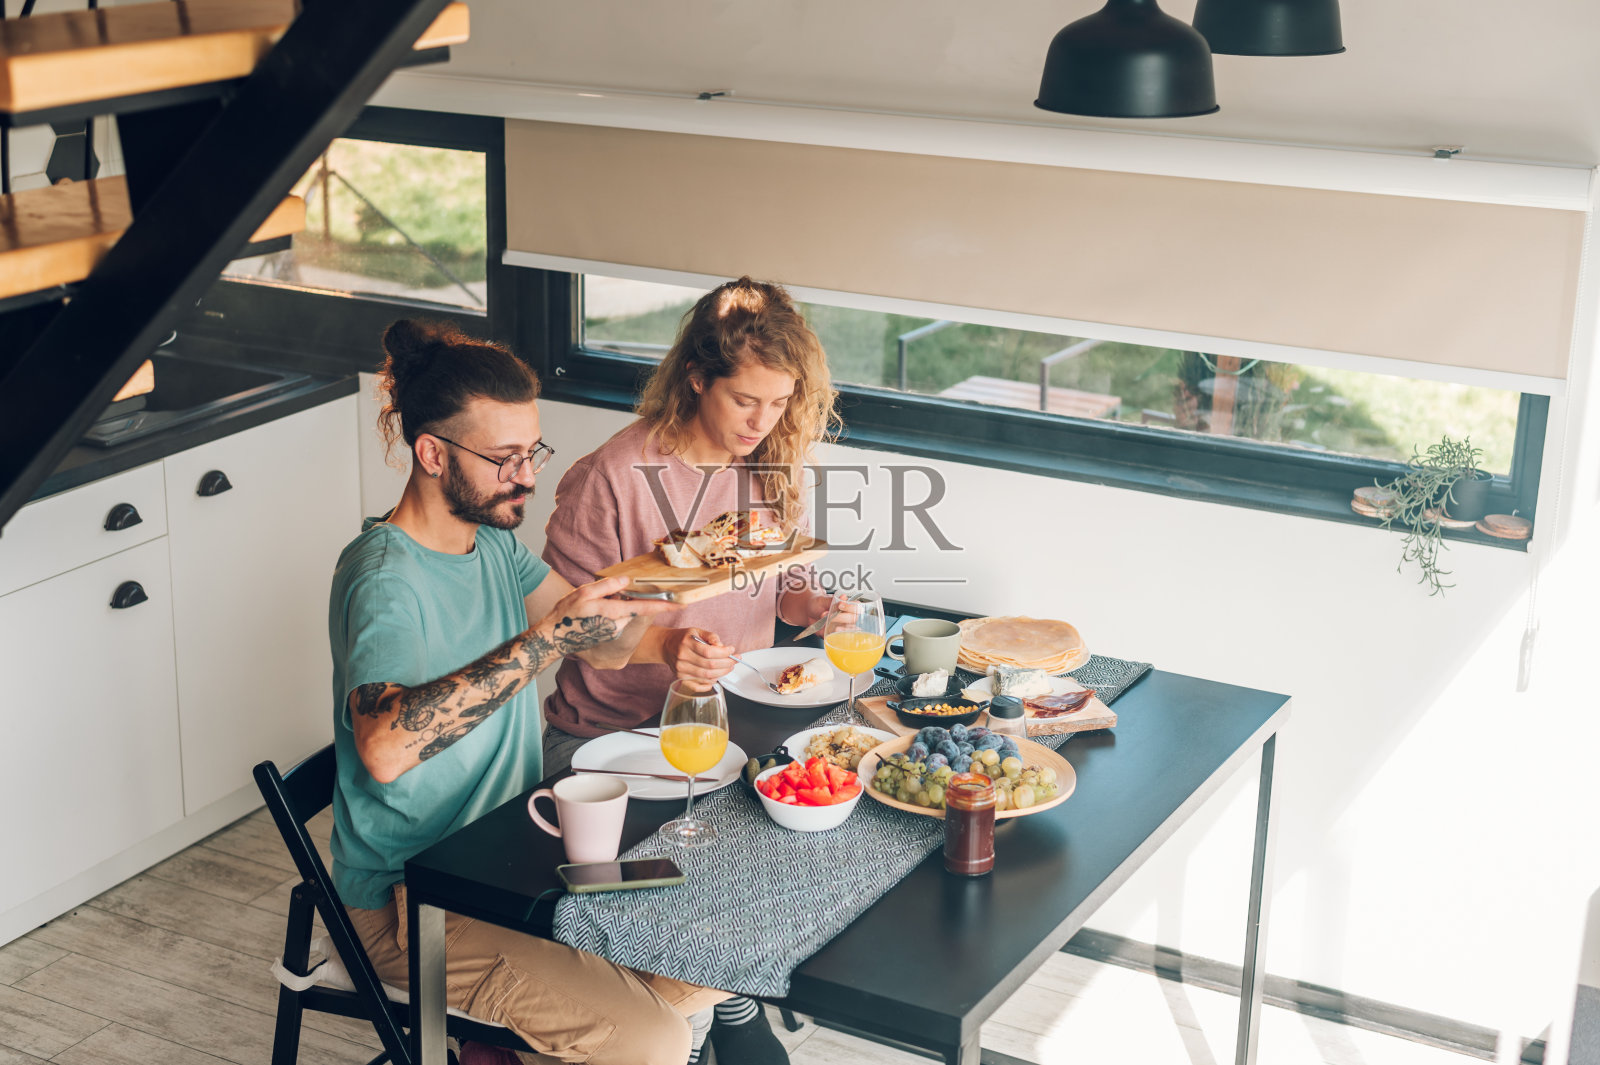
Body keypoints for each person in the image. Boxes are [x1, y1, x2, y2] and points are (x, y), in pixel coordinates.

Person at [329, 320, 728, 1065]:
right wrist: (547, 639)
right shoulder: (386, 578)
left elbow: (593, 638)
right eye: (505, 458)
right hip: (411, 899)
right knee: (655, 1037)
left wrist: (657, 629)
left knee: (717, 949)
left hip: (509, 861)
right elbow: (383, 747)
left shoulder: (491, 544)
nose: (528, 476)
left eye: (531, 452)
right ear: (432, 453)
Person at [541, 277, 842, 1064]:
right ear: (698, 377)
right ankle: (725, 997)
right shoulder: (610, 476)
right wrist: (665, 648)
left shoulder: (770, 465)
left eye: (780, 403)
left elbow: (780, 585)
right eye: (747, 399)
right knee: (687, 883)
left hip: (727, 729)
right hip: (607, 741)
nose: (764, 421)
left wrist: (816, 604)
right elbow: (564, 633)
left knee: (794, 847)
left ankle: (722, 988)